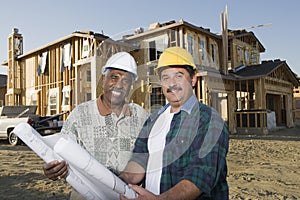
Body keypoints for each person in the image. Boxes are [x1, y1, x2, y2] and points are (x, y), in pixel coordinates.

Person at [119, 47, 229, 199]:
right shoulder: (153, 120)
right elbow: (139, 159)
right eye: (165, 78)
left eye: (179, 76)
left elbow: (200, 177)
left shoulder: (210, 121)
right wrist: (121, 180)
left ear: (193, 79)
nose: (172, 84)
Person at [42, 52, 149, 199]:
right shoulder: (80, 115)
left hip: (127, 195)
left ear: (131, 85)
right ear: (103, 79)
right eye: (114, 77)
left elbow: (149, 157)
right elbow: (58, 154)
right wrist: (52, 168)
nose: (119, 85)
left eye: (126, 80)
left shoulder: (141, 116)